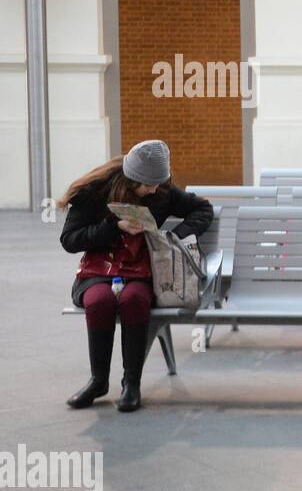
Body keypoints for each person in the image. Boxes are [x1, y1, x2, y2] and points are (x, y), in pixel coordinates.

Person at [58, 140, 213, 412]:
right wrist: (113, 226)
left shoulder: (161, 190)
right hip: (99, 271)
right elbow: (70, 239)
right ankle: (98, 381)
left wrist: (173, 237)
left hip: (140, 270)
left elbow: (203, 208)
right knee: (99, 302)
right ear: (132, 179)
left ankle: (132, 383)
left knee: (134, 301)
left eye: (158, 184)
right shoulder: (95, 192)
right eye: (148, 185)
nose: (154, 190)